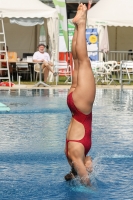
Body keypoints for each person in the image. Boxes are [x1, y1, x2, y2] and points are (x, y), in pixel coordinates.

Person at [64, 3, 96, 186]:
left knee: (83, 62)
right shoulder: (71, 154)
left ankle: (81, 23)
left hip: (82, 108)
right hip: (74, 104)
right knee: (77, 61)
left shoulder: (76, 157)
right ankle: (77, 23)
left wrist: (89, 187)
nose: (89, 166)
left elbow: (86, 182)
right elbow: (87, 158)